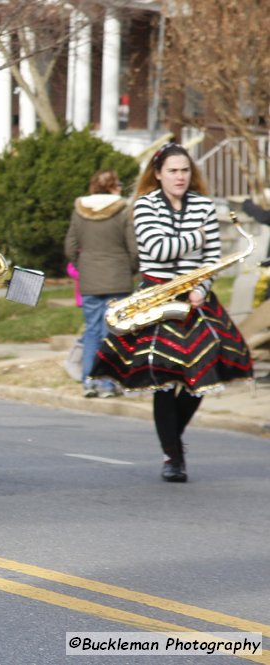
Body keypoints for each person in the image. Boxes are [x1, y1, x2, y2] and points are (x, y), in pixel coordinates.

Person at [91, 143, 253, 482]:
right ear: (159, 174)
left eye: (185, 170)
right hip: (156, 298)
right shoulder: (145, 205)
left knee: (207, 375)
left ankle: (173, 441)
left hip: (196, 298)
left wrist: (201, 289)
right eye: (173, 171)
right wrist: (197, 234)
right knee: (163, 378)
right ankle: (173, 456)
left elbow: (213, 258)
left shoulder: (205, 205)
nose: (180, 177)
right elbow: (158, 250)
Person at [64, 169, 138, 399]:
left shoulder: (80, 210)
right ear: (115, 186)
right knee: (112, 333)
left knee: (92, 331)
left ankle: (89, 381)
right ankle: (107, 383)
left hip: (90, 279)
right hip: (118, 278)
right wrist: (131, 269)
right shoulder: (124, 210)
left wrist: (84, 266)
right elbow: (133, 248)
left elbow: (70, 246)